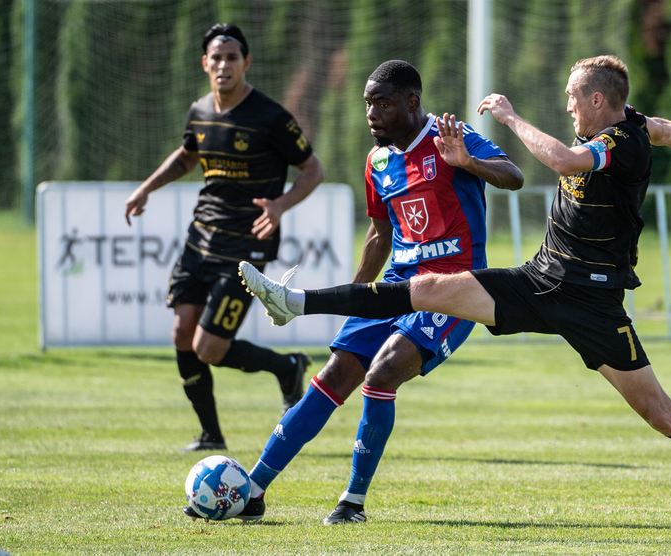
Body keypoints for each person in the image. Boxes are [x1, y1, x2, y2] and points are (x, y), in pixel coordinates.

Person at [240, 55, 671, 536]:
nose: (568, 106)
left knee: (661, 414)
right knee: (424, 288)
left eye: (573, 97)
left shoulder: (618, 142)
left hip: (592, 302)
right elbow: (659, 126)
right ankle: (297, 302)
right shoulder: (628, 123)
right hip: (540, 280)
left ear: (599, 100)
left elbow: (563, 162)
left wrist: (509, 118)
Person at [183, 60, 523, 522]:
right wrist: (357, 299)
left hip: (455, 289)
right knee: (334, 376)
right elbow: (380, 235)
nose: (372, 114)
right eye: (368, 104)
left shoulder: (451, 136)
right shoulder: (378, 161)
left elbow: (513, 175)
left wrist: (467, 162)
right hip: (397, 286)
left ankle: (352, 502)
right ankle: (253, 491)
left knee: (381, 375)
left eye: (383, 103)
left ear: (413, 102)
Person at [124, 23, 324, 454]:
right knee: (182, 335)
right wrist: (146, 188)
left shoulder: (271, 117)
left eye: (232, 57)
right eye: (216, 57)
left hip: (246, 247)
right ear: (205, 63)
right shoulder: (199, 110)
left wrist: (280, 205)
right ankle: (210, 435)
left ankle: (287, 367)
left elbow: (313, 170)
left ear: (246, 62)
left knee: (209, 348)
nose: (223, 65)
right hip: (200, 239)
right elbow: (188, 155)